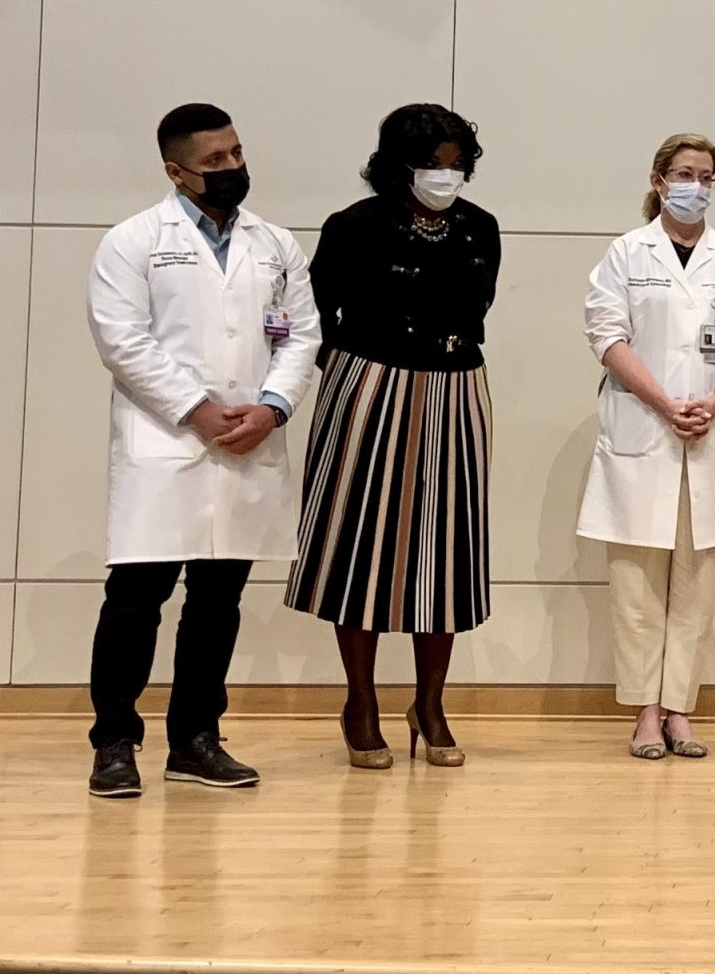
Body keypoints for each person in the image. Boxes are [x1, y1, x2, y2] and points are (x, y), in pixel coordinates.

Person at [83, 105, 321, 799]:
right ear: (175, 170)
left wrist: (274, 406)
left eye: (237, 153)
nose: (232, 169)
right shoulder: (132, 241)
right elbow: (121, 341)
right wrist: (197, 409)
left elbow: (301, 335)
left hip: (248, 439)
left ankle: (195, 738)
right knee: (136, 599)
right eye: (214, 161)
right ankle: (115, 742)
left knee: (218, 599)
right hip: (165, 439)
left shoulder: (274, 243)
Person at [288, 104, 500, 769]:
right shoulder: (355, 224)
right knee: (361, 546)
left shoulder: (479, 228)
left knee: (445, 548)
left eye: (456, 162)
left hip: (455, 388)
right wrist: (348, 369)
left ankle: (431, 701)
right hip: (369, 385)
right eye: (433, 162)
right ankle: (360, 699)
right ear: (396, 163)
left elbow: (479, 306)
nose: (447, 174)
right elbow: (316, 312)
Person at [579, 134, 715, 760]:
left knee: (697, 585)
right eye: (684, 173)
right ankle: (644, 713)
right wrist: (666, 404)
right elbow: (607, 336)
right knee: (636, 585)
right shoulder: (625, 254)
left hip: (709, 431)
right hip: (644, 429)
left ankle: (681, 712)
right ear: (660, 180)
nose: (696, 184)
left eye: (707, 176)